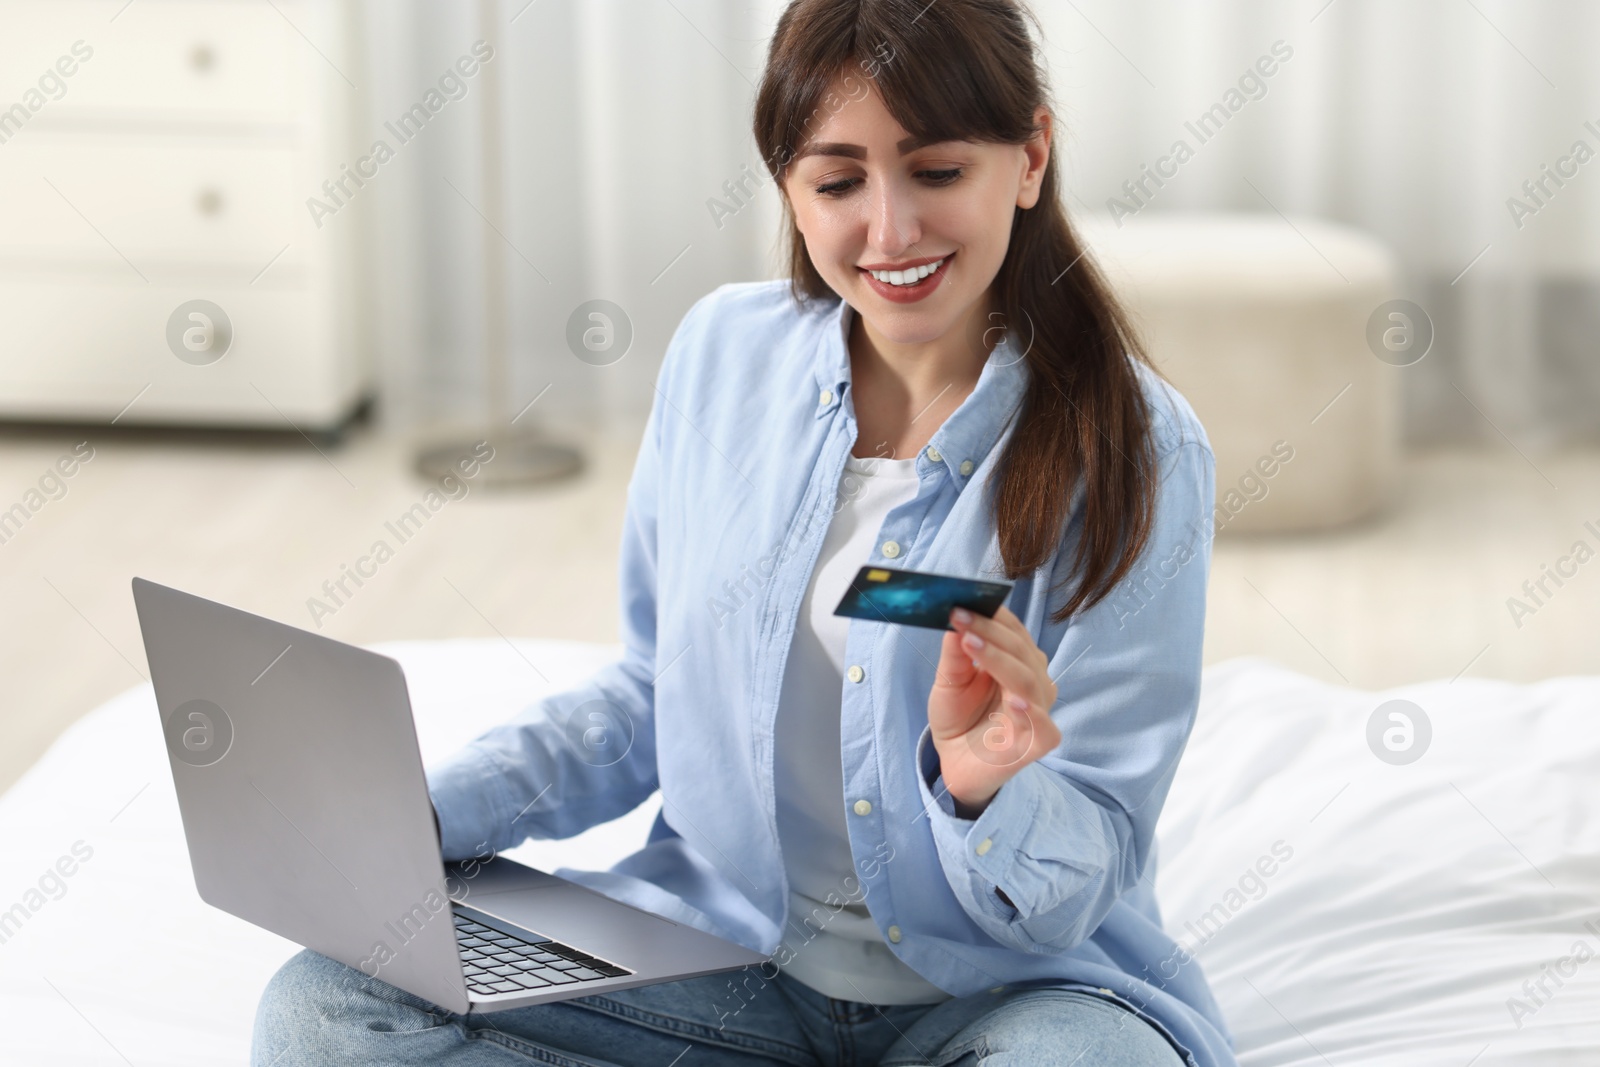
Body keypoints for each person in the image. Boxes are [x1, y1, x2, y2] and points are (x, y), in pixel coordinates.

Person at [252, 1, 1236, 1063]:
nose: (891, 230)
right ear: (788, 187)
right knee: (328, 1001)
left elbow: (1087, 854)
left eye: (938, 173)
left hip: (1006, 992)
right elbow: (649, 693)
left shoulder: (1138, 447)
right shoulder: (723, 354)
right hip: (726, 970)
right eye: (838, 180)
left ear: (1028, 156)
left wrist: (980, 785)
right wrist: (420, 820)